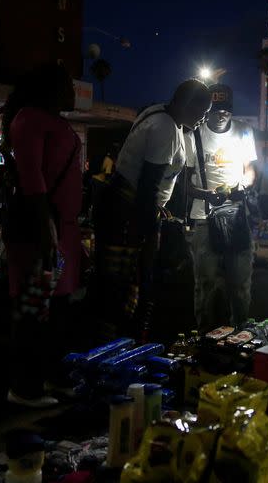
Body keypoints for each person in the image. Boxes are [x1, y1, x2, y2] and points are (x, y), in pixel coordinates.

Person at [94, 79, 211, 340]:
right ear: (186, 104)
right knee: (126, 287)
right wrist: (149, 231)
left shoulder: (159, 114)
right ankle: (118, 345)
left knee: (120, 286)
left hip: (126, 209)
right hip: (129, 213)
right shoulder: (165, 128)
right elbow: (149, 185)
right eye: (201, 113)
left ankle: (122, 339)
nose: (203, 120)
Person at [1, 63, 83, 407]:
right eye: (66, 85)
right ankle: (25, 387)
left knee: (57, 307)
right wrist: (47, 228)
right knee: (34, 307)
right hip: (40, 229)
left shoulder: (49, 120)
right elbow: (31, 176)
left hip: (58, 229)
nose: (73, 92)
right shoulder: (30, 119)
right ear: (49, 88)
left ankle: (53, 376)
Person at [185, 84, 257, 330]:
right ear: (207, 111)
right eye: (217, 110)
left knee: (239, 283)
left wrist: (242, 185)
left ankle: (241, 333)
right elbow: (184, 182)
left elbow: (250, 171)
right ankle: (205, 334)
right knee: (205, 283)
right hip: (204, 218)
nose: (222, 114)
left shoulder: (245, 132)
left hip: (237, 217)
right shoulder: (193, 135)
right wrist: (206, 194)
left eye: (226, 109)